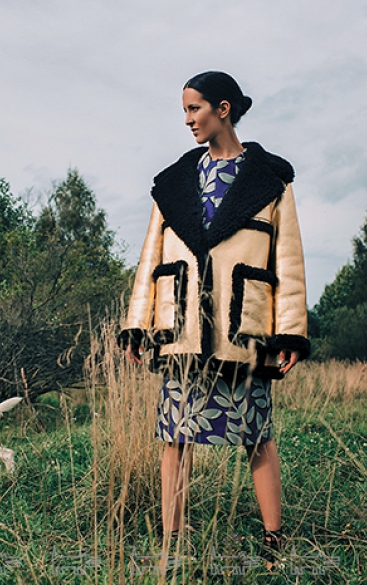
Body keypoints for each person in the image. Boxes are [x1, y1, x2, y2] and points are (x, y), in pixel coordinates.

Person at [119, 71, 310, 562]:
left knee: (257, 436)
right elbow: (150, 257)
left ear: (223, 109)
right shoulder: (173, 183)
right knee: (175, 437)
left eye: (194, 109)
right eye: (184, 111)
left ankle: (274, 541)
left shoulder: (271, 179)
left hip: (242, 331)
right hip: (181, 329)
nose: (188, 120)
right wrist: (138, 323)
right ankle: (173, 542)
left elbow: (288, 259)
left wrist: (290, 332)